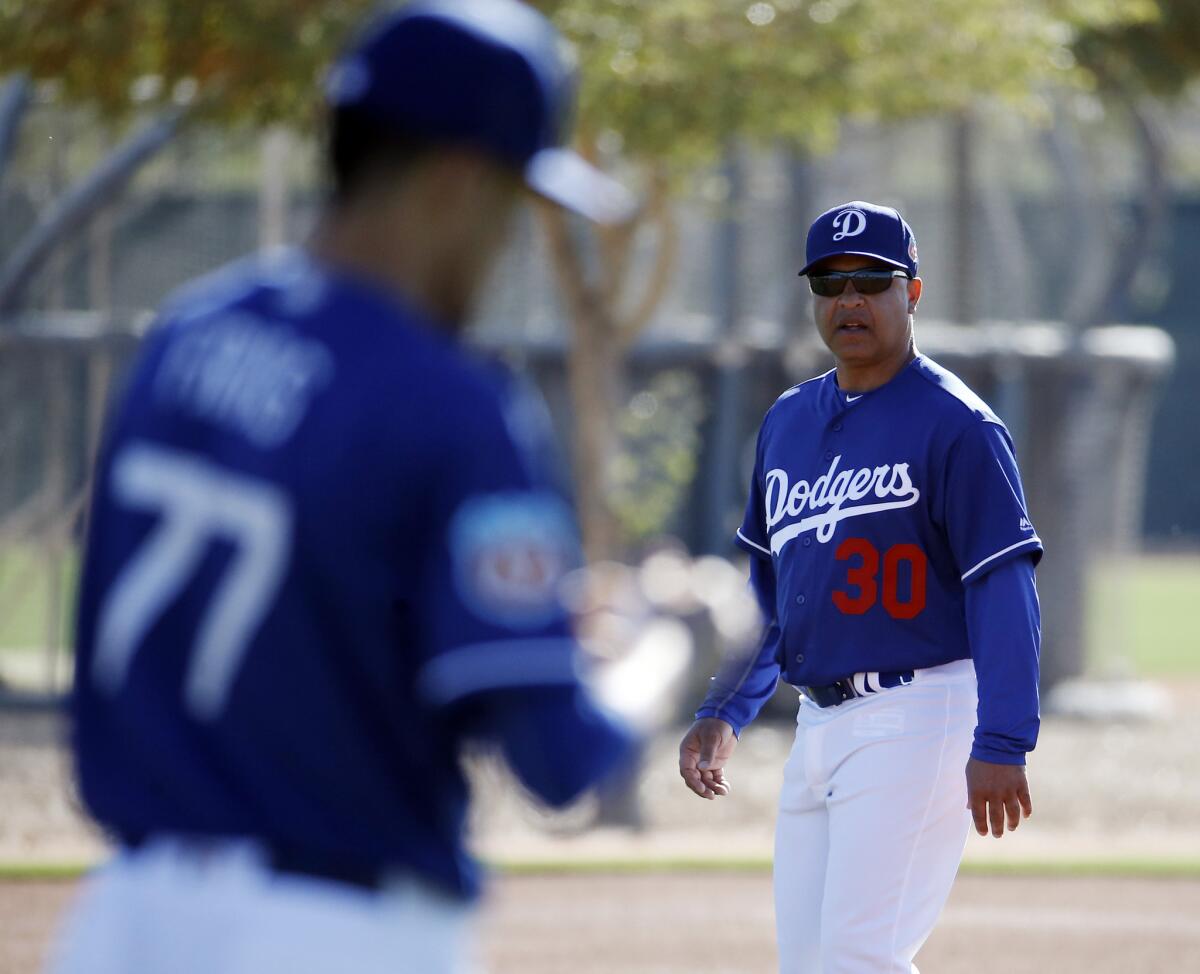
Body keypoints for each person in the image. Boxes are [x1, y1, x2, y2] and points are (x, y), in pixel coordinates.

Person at [51, 3, 637, 973]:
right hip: (332, 931)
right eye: (509, 202)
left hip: (121, 922)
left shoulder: (187, 335)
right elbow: (558, 759)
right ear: (454, 180)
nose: (506, 242)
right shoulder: (446, 401)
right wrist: (657, 658)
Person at [679, 201, 1042, 974]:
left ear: (911, 292)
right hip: (818, 723)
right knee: (811, 963)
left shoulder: (959, 425)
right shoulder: (786, 422)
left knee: (857, 957)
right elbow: (772, 593)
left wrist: (1004, 740)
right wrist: (725, 707)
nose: (849, 300)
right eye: (830, 281)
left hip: (921, 712)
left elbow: (1002, 587)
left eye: (871, 281)